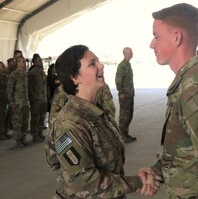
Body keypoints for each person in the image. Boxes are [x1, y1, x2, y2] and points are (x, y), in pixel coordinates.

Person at [138, 3, 198, 198]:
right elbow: (186, 148)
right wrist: (156, 171)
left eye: (156, 36)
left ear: (176, 37)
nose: (152, 44)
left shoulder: (195, 90)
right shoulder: (187, 82)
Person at [45, 45, 158, 199]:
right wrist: (138, 182)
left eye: (98, 61)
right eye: (93, 64)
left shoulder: (96, 113)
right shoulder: (70, 123)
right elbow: (84, 182)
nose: (101, 65)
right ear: (74, 77)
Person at [7, 55, 30, 147]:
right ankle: (17, 141)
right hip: (17, 103)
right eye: (23, 61)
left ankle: (23, 139)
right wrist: (12, 102)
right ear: (18, 63)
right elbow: (9, 89)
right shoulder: (14, 74)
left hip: (25, 102)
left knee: (25, 121)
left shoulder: (25, 74)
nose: (24, 63)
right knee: (18, 122)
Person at [115, 47, 136, 143]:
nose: (132, 53)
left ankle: (125, 134)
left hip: (130, 94)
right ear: (125, 53)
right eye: (130, 52)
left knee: (129, 114)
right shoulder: (122, 66)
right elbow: (118, 80)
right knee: (124, 115)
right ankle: (122, 135)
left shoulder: (127, 64)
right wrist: (121, 92)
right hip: (125, 95)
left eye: (131, 52)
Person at [28, 53, 47, 142]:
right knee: (36, 117)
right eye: (39, 60)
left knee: (42, 117)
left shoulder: (42, 72)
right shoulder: (32, 73)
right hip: (36, 99)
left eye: (41, 60)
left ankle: (40, 133)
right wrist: (32, 97)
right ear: (34, 62)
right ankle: (35, 135)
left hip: (43, 98)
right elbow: (29, 86)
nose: (41, 62)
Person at [0, 61, 10, 140]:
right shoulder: (2, 76)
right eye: (2, 66)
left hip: (5, 99)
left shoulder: (5, 75)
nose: (4, 68)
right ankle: (1, 133)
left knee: (5, 116)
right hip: (1, 100)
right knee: (1, 117)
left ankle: (4, 132)